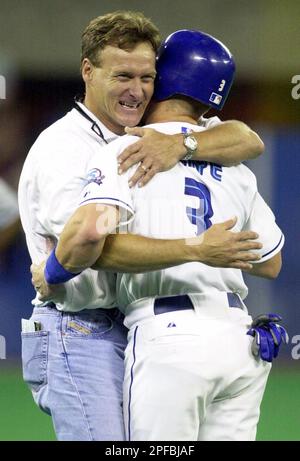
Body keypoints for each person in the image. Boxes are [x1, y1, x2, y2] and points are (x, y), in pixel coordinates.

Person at [20, 11, 264, 441]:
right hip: (78, 328)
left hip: (132, 324)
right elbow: (90, 242)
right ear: (88, 72)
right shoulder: (64, 147)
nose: (136, 91)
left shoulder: (148, 136)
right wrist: (54, 270)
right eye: (123, 76)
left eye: (147, 78)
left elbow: (247, 139)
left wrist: (182, 143)